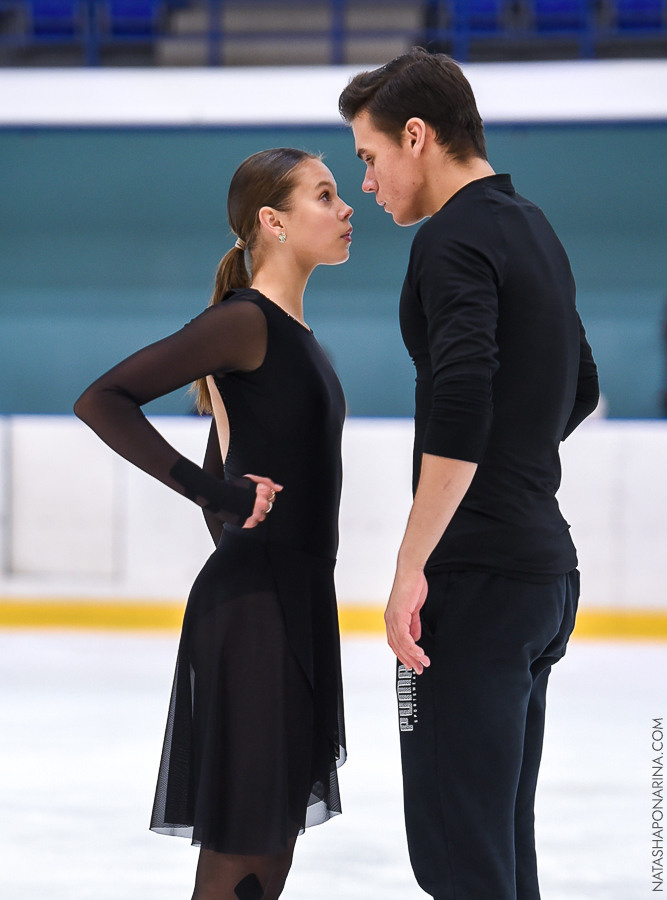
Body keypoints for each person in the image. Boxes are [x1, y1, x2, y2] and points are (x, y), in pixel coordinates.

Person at [339, 49, 599, 900]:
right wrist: (514, 472)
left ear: (416, 136)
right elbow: (581, 385)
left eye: (369, 159)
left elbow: (461, 399)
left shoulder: (450, 240)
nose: (367, 186)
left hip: (476, 584)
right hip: (540, 580)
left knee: (456, 855)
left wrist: (412, 564)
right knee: (494, 848)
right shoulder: (531, 226)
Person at [74, 147, 354, 900]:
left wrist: (227, 506)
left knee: (272, 847)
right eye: (325, 196)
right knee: (247, 848)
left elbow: (233, 452)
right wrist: (222, 500)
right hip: (256, 608)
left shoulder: (293, 337)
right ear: (273, 221)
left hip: (289, 602)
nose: (346, 207)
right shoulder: (243, 322)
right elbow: (103, 400)